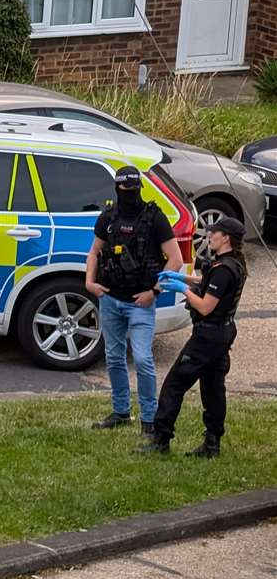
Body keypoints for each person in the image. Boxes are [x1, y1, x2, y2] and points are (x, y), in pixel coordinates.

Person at [85, 166, 183, 435]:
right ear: (117, 189)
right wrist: (89, 283)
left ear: (140, 188)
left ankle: (149, 420)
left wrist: (154, 291)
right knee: (114, 358)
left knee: (142, 359)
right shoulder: (108, 218)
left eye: (133, 190)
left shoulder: (154, 218)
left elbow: (175, 260)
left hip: (141, 302)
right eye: (125, 190)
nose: (129, 195)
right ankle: (120, 412)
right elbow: (94, 252)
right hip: (110, 298)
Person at [141, 216, 248, 457]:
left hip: (207, 336)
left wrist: (184, 290)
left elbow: (205, 306)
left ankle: (161, 439)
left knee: (174, 384)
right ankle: (212, 444)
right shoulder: (234, 264)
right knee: (213, 387)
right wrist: (184, 277)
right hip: (224, 332)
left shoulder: (224, 271)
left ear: (226, 238)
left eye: (214, 233)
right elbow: (208, 282)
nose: (209, 236)